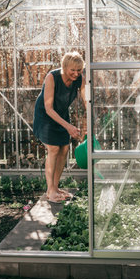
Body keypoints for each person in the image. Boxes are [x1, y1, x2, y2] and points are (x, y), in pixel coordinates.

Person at [33, 52, 86, 203]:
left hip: (61, 114)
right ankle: (50, 191)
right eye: (73, 70)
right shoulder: (52, 77)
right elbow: (48, 108)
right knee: (54, 149)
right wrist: (69, 127)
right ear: (64, 67)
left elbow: (86, 100)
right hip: (45, 115)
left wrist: (87, 123)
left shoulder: (79, 79)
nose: (76, 73)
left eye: (79, 70)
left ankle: (55, 187)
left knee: (64, 148)